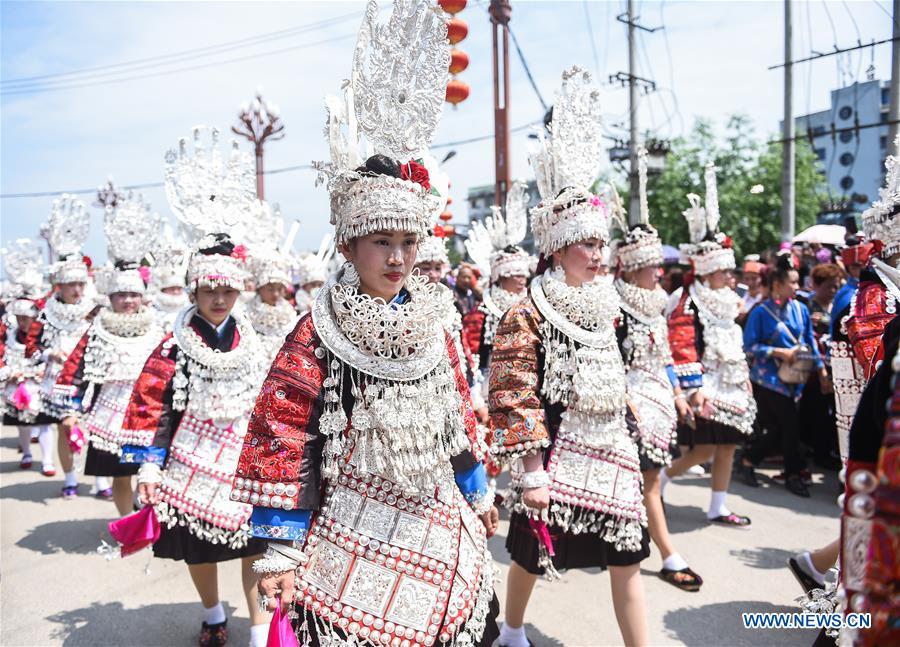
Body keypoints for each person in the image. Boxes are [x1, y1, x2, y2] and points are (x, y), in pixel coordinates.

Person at [235, 4, 500, 645]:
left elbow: (455, 415)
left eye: (409, 241)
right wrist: (282, 544)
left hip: (438, 517)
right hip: (352, 527)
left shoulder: (435, 318)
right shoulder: (316, 332)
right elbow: (285, 437)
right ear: (350, 246)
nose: (399, 257)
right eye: (382, 241)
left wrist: (477, 485)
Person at [490, 66, 648, 647]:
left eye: (602, 242)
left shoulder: (610, 303)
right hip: (556, 454)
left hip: (613, 448)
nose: (599, 253)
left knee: (628, 557)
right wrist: (531, 472)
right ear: (558, 247)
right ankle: (511, 630)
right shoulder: (525, 310)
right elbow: (512, 393)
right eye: (589, 242)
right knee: (531, 558)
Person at [121, 129, 270, 647]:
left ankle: (258, 631)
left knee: (257, 543)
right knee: (199, 548)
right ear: (194, 289)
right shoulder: (173, 344)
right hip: (190, 458)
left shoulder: (254, 341)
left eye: (228, 289)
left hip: (242, 457)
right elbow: (153, 408)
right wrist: (149, 464)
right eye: (210, 289)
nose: (220, 298)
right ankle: (212, 614)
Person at [610, 150, 700, 592]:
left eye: (657, 266)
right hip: (626, 404)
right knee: (647, 482)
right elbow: (610, 358)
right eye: (649, 266)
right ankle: (668, 553)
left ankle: (638, 539)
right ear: (631, 266)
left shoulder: (659, 302)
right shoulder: (613, 304)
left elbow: (663, 353)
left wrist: (679, 393)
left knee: (645, 481)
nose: (657, 272)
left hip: (661, 401)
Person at [53, 196, 165, 516]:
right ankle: (127, 524)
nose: (127, 301)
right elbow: (75, 372)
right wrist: (72, 411)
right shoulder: (97, 330)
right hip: (109, 416)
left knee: (153, 473)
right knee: (121, 476)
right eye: (121, 295)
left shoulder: (158, 329)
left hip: (150, 411)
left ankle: (149, 520)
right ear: (110, 296)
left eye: (133, 294)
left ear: (141, 296)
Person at [663, 164, 756, 526]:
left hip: (731, 384)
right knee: (702, 448)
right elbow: (682, 344)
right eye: (724, 272)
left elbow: (735, 341)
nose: (730, 277)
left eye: (730, 272)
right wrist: (694, 388)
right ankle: (662, 481)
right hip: (705, 386)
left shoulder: (729, 300)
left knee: (729, 446)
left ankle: (718, 505)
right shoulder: (689, 299)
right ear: (705, 271)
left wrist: (743, 376)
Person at [33, 196, 104, 499]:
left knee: (98, 431)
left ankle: (102, 480)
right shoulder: (46, 311)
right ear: (59, 286)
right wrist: (50, 353)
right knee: (66, 427)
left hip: (93, 379)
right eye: (71, 284)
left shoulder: (97, 309)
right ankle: (70, 477)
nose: (77, 289)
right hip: (62, 382)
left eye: (80, 283)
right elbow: (31, 348)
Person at [741, 253, 828, 497]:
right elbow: (749, 347)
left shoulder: (801, 309)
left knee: (783, 430)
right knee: (789, 427)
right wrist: (778, 352)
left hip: (796, 379)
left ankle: (749, 459)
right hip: (768, 380)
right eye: (792, 282)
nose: (797, 287)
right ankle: (793, 474)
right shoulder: (760, 312)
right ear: (777, 285)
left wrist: (821, 369)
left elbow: (810, 340)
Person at [1, 240, 55, 475]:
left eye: (28, 317)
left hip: (40, 385)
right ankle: (26, 452)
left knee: (44, 423)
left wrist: (45, 369)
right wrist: (8, 373)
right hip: (16, 386)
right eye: (20, 317)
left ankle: (48, 461)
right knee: (23, 425)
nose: (24, 322)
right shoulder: (8, 334)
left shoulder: (44, 333)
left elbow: (51, 356)